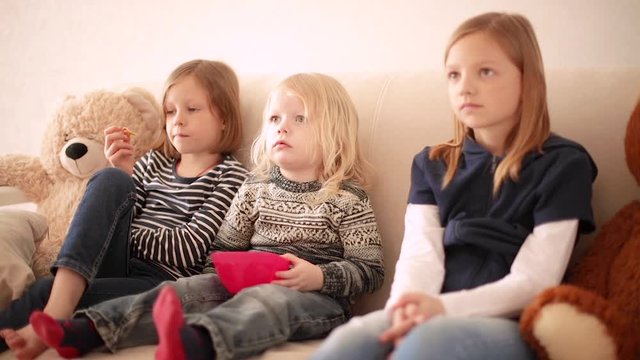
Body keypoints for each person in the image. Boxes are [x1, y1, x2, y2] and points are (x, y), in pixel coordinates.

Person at [25, 72, 385, 359]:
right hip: (245, 284)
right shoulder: (255, 189)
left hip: (315, 299)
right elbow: (222, 250)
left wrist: (319, 277)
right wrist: (213, 283)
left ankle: (198, 342)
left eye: (300, 118)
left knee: (266, 302)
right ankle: (87, 330)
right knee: (185, 289)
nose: (282, 127)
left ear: (334, 134)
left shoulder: (346, 199)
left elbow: (370, 271)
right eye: (274, 118)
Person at [312, 12, 597, 360]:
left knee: (426, 346)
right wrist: (406, 310)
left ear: (528, 80)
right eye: (453, 75)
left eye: (486, 71)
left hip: (509, 321)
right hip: (429, 309)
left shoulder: (565, 165)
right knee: (349, 341)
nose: (465, 86)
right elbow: (420, 256)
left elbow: (537, 280)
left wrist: (441, 310)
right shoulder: (431, 163)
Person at [0, 59, 248, 359]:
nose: (177, 120)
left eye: (192, 109)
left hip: (159, 280)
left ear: (224, 117)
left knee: (46, 291)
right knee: (110, 176)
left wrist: (125, 230)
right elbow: (111, 223)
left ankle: (56, 311)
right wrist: (125, 179)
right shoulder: (152, 163)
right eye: (170, 111)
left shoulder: (231, 176)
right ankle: (57, 310)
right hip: (114, 262)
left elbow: (188, 250)